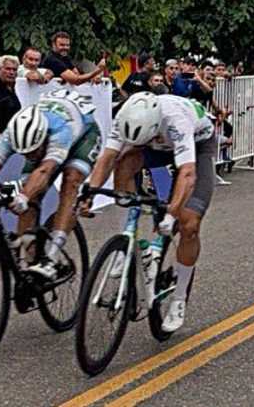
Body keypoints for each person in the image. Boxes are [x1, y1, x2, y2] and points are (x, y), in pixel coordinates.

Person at [82, 92, 216, 333]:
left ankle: (179, 298)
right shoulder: (124, 115)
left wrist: (172, 214)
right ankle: (130, 234)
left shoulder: (176, 120)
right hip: (154, 144)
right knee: (124, 162)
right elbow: (108, 157)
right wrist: (89, 192)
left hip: (197, 145)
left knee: (189, 224)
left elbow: (187, 173)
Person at [0, 89, 101, 281]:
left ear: (42, 138)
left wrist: (23, 197)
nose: (29, 157)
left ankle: (52, 256)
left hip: (83, 134)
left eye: (33, 151)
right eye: (24, 153)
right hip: (46, 130)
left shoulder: (61, 132)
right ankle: (28, 264)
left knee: (70, 182)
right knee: (30, 196)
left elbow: (45, 170)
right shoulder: (13, 132)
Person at [39, 31, 107, 85]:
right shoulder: (52, 60)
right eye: (62, 45)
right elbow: (76, 81)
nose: (65, 48)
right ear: (53, 45)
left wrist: (94, 77)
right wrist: (98, 70)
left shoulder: (65, 57)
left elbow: (77, 74)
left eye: (67, 45)